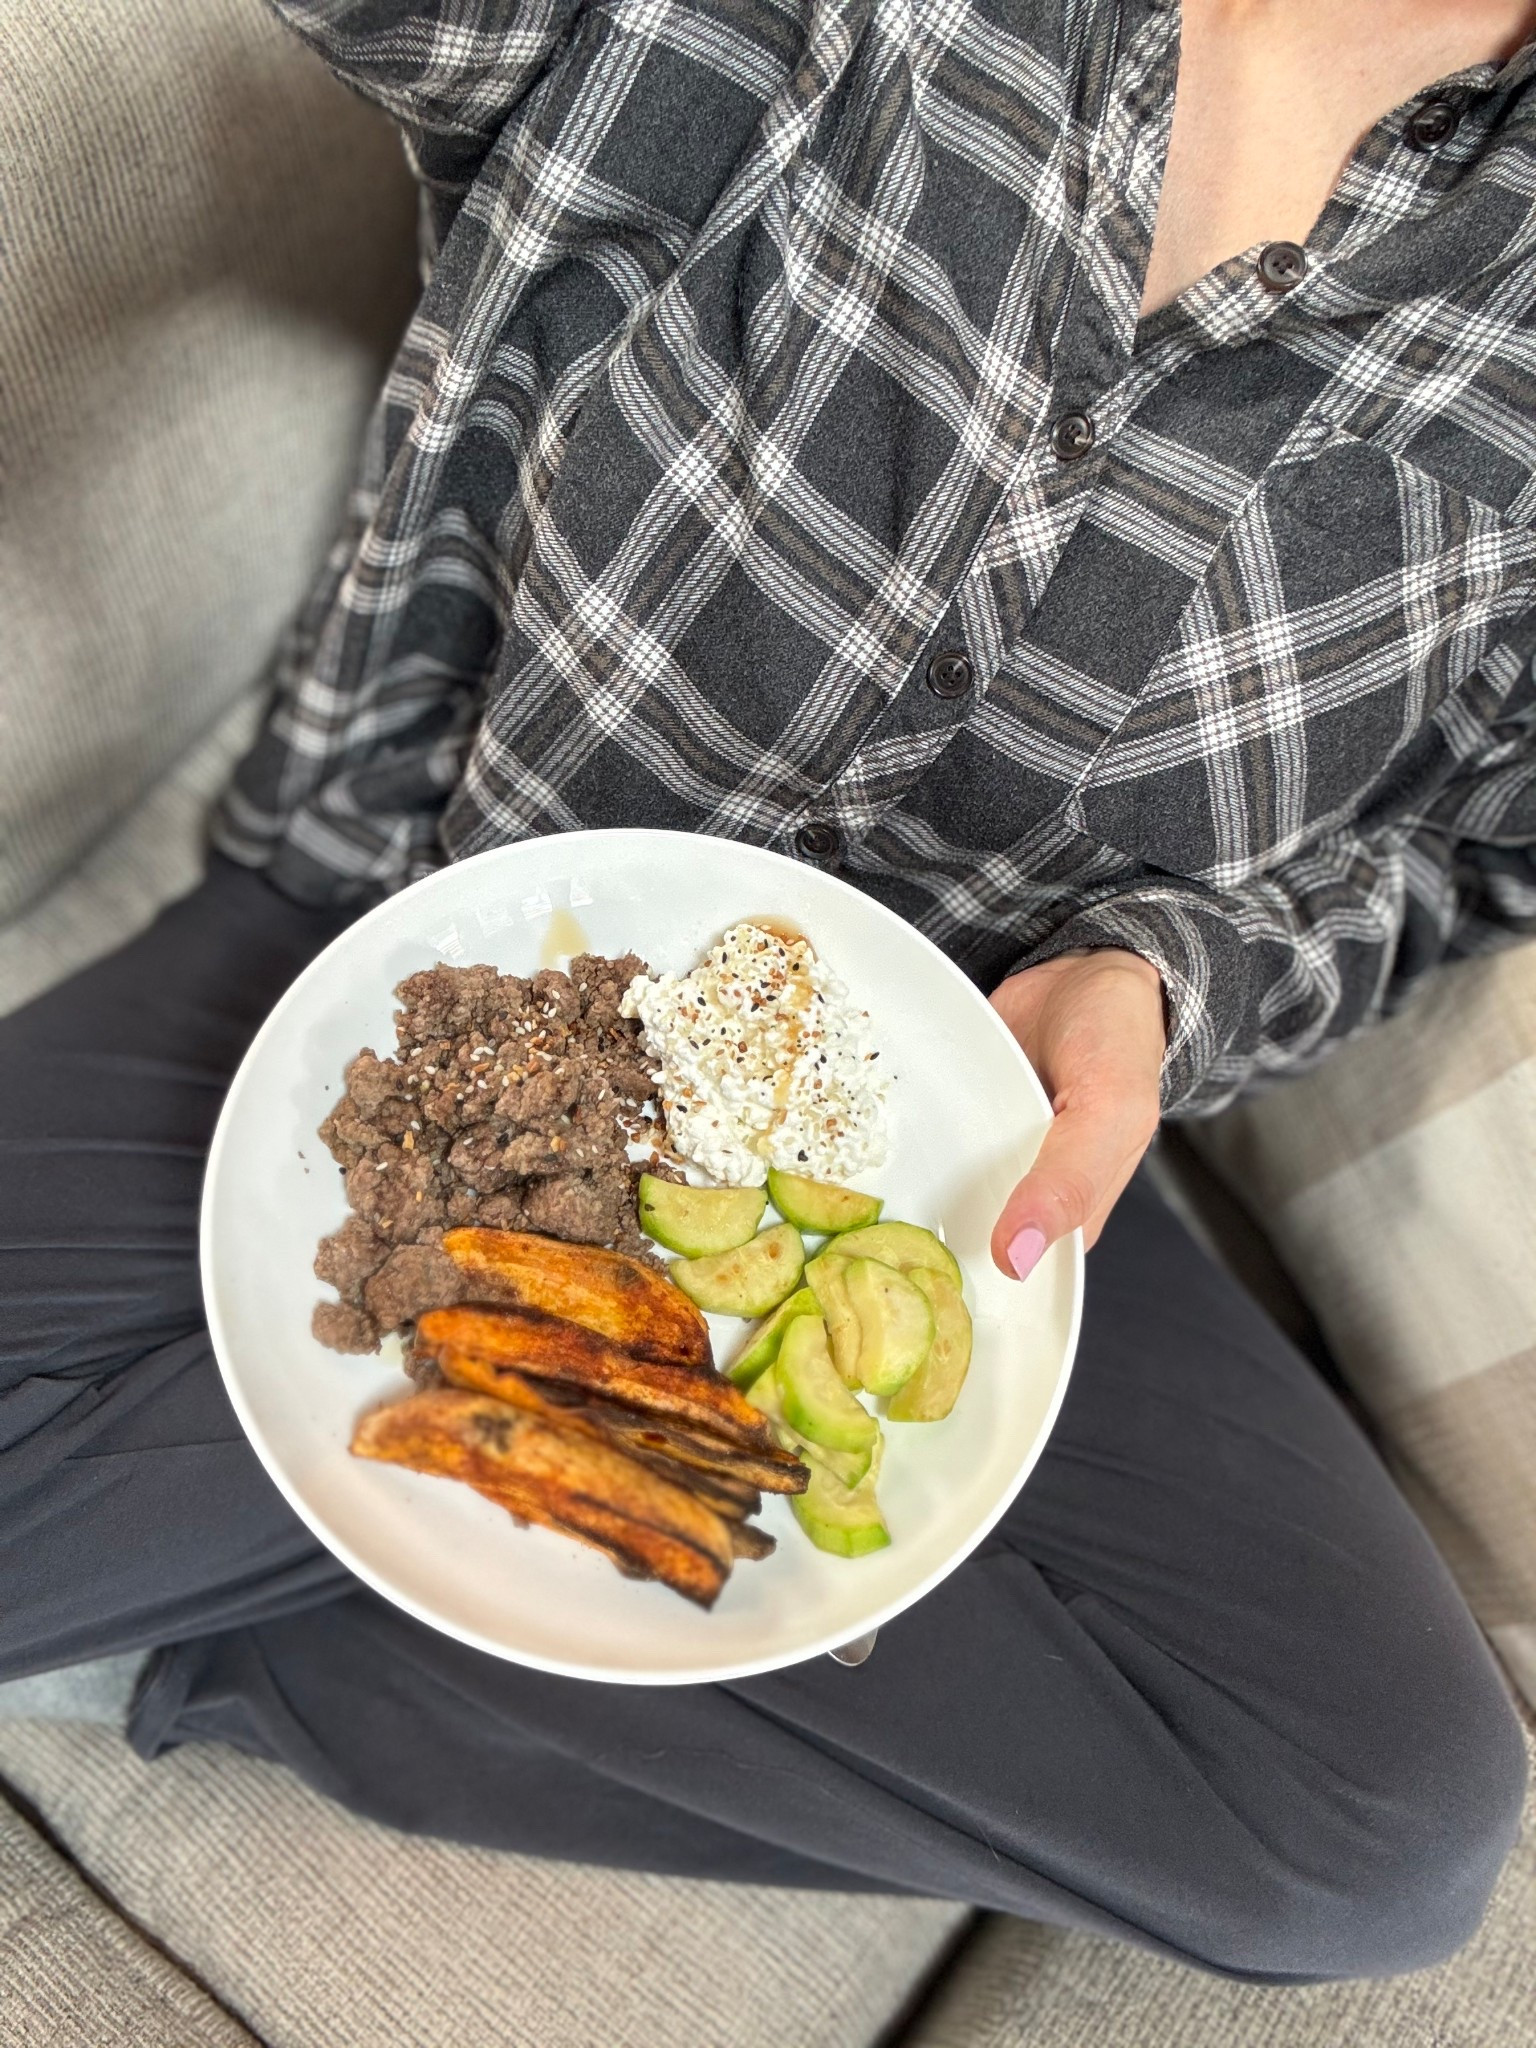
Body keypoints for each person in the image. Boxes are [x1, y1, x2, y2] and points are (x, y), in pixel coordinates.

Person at [2, 0, 1533, 1982]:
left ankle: (226, 1625)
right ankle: (370, 1549)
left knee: (1372, 1828)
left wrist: (1173, 978)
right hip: (404, 951)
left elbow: (1471, 853)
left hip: (938, 1173)